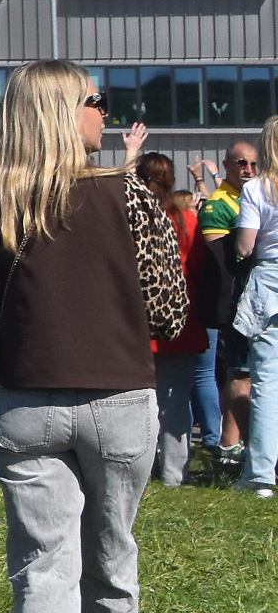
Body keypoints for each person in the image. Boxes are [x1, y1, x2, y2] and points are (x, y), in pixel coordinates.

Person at [0, 65, 186, 612]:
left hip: (26, 399)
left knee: (42, 571)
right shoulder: (128, 194)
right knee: (111, 565)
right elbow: (169, 312)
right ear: (60, 111)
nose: (104, 110)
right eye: (94, 99)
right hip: (118, 394)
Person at [137, 151, 210, 488]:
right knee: (175, 401)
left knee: (139, 400)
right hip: (178, 318)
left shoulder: (130, 216)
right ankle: (173, 474)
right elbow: (197, 268)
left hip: (135, 320)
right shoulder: (185, 220)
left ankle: (139, 466)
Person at [201, 139, 260, 467]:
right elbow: (219, 263)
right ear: (226, 166)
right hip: (238, 301)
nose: (248, 170)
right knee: (239, 373)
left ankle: (232, 443)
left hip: (259, 297)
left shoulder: (257, 195)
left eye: (253, 164)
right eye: (241, 163)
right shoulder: (218, 203)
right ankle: (246, 448)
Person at [232, 116, 278, 497]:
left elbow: (246, 245)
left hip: (270, 285)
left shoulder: (257, 189)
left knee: (266, 383)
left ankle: (261, 474)